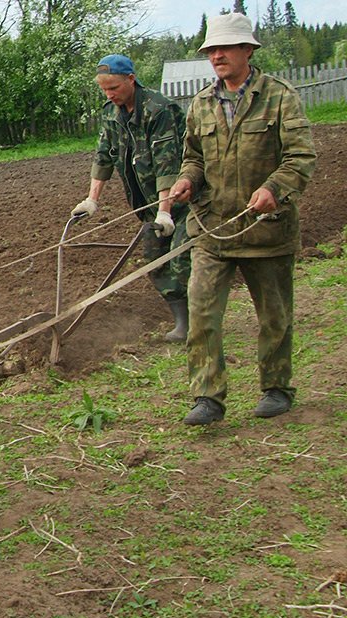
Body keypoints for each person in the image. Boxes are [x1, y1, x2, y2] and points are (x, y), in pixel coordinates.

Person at [169, 12, 316, 425]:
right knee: (202, 315)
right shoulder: (200, 103)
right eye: (211, 49)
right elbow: (194, 158)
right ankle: (208, 397)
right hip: (213, 229)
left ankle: (276, 386)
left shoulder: (279, 97)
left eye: (225, 48)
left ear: (247, 50)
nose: (216, 55)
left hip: (266, 229)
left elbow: (301, 157)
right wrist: (186, 181)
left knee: (274, 316)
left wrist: (274, 188)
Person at [72, 54, 191, 343]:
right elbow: (103, 156)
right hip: (147, 204)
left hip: (185, 200)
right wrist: (92, 199)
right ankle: (184, 324)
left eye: (113, 87)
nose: (109, 94)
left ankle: (203, 320)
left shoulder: (158, 109)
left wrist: (166, 211)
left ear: (131, 79)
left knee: (184, 259)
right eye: (104, 89)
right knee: (155, 259)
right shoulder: (111, 113)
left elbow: (167, 162)